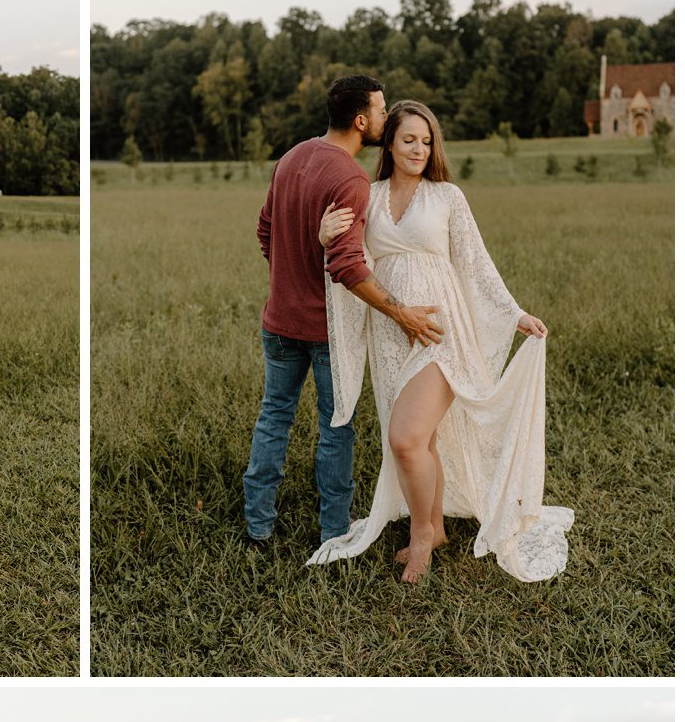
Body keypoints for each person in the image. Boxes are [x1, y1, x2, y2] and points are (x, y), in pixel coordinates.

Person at [309, 100, 573, 583]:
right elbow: (351, 258)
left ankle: (422, 538)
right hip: (390, 332)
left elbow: (476, 263)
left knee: (405, 439)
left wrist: (514, 314)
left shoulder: (447, 197)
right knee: (423, 438)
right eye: (408, 139)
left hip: (440, 330)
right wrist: (325, 234)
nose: (418, 149)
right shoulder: (366, 194)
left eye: (426, 141)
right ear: (389, 142)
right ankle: (435, 527)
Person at [243, 75, 443, 550]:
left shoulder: (291, 157)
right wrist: (404, 314)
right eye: (380, 110)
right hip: (326, 331)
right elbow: (348, 267)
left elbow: (265, 231)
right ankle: (334, 530)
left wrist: (291, 274)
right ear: (360, 120)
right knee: (337, 427)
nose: (386, 115)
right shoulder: (350, 178)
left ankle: (258, 528)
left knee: (273, 419)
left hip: (277, 321)